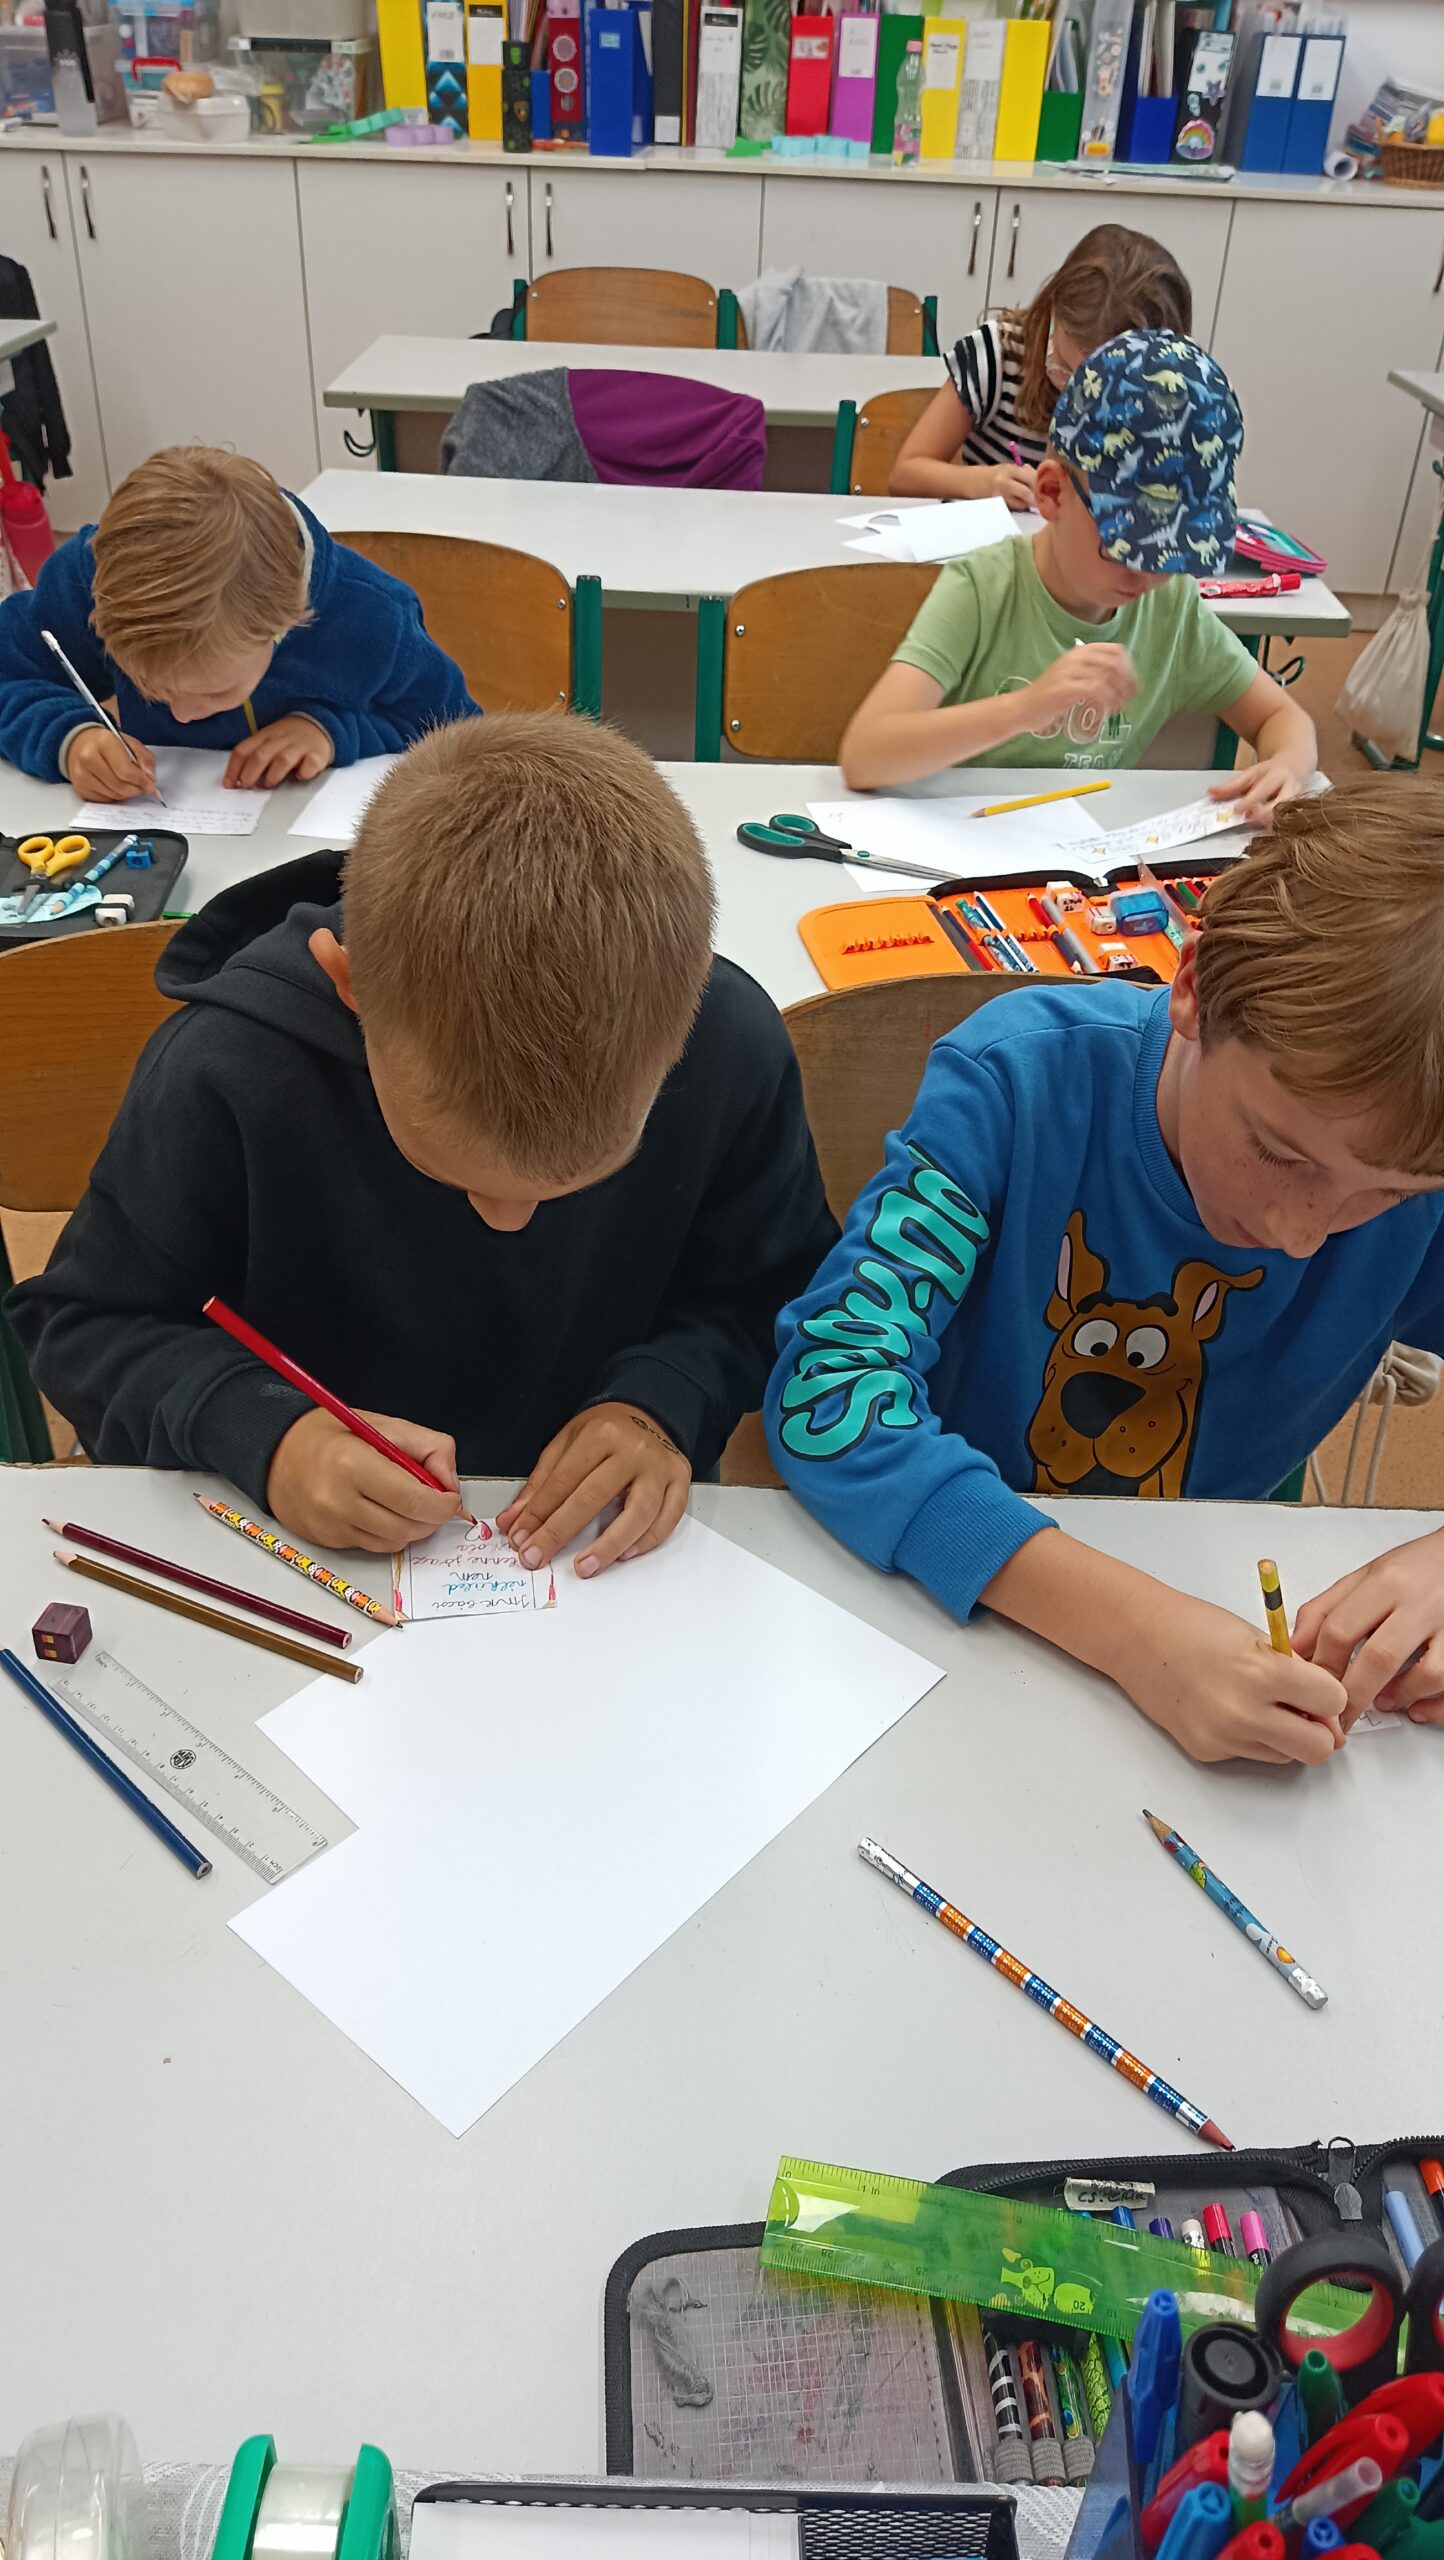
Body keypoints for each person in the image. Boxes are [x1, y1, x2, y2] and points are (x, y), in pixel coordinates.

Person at [9, 715, 836, 1576]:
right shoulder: (227, 1070)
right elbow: (83, 1330)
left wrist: (665, 1401)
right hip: (293, 1560)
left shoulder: (730, 1046)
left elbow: (779, 1292)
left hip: (611, 1566)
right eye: (457, 1173)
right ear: (349, 985)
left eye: (580, 1180)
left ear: (691, 997)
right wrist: (267, 1433)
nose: (510, 1222)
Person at [765, 777, 1444, 1767]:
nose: (1301, 1235)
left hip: (1225, 1606)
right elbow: (830, 1396)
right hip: (951, 1620)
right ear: (1193, 987)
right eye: (1277, 1152)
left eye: (1380, 1195)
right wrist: (1136, 1633)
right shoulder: (1019, 1085)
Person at [842, 331, 1315, 828]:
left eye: (1171, 553)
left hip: (1084, 858)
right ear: (1051, 494)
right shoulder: (983, 588)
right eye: (1123, 546)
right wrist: (1024, 709)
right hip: (958, 843)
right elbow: (866, 754)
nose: (1145, 575)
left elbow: (1284, 718)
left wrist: (1287, 763)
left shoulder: (1171, 608)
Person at [0, 444, 477, 796]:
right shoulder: (83, 583)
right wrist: (69, 737)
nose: (182, 715)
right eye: (152, 689)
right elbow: (11, 675)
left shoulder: (371, 617)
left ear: (284, 623)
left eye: (215, 692)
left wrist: (332, 732)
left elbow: (458, 736)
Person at [889, 223, 1192, 506]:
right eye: (1064, 369)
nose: (1077, 396)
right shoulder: (999, 354)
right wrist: (985, 482)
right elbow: (905, 474)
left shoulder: (1163, 392)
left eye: (1102, 389)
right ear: (1052, 313)